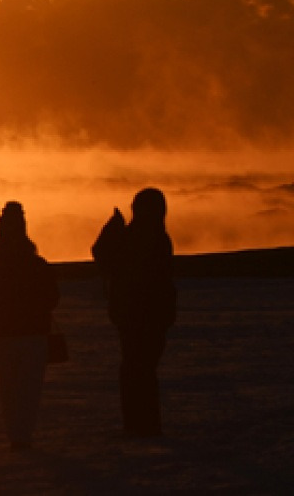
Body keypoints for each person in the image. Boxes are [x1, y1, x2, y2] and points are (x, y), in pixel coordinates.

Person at [92, 187, 176, 438]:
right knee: (144, 370)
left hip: (131, 315)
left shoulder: (132, 237)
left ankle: (138, 424)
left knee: (134, 369)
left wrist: (113, 229)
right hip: (153, 316)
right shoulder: (159, 238)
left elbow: (103, 257)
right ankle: (147, 424)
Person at [0, 202, 58, 450]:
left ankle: (15, 435)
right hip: (34, 333)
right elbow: (52, 296)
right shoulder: (36, 263)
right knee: (29, 388)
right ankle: (24, 434)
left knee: (9, 387)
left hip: (5, 333)